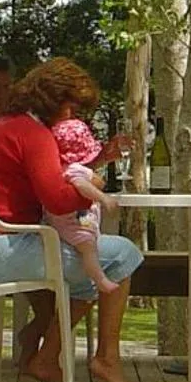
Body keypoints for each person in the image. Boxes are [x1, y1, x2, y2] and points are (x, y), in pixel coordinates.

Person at [0, 57, 143, 382]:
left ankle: (46, 354)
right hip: (5, 251)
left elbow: (54, 174)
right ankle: (105, 357)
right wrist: (95, 186)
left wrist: (98, 160)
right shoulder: (33, 134)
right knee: (124, 254)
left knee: (96, 268)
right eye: (72, 108)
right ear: (55, 100)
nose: (73, 118)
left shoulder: (8, 125)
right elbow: (59, 199)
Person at [44, 117, 121, 296]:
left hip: (62, 220)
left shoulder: (59, 168)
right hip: (75, 221)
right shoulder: (76, 169)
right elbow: (82, 185)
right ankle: (99, 279)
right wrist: (103, 198)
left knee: (88, 242)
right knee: (89, 248)